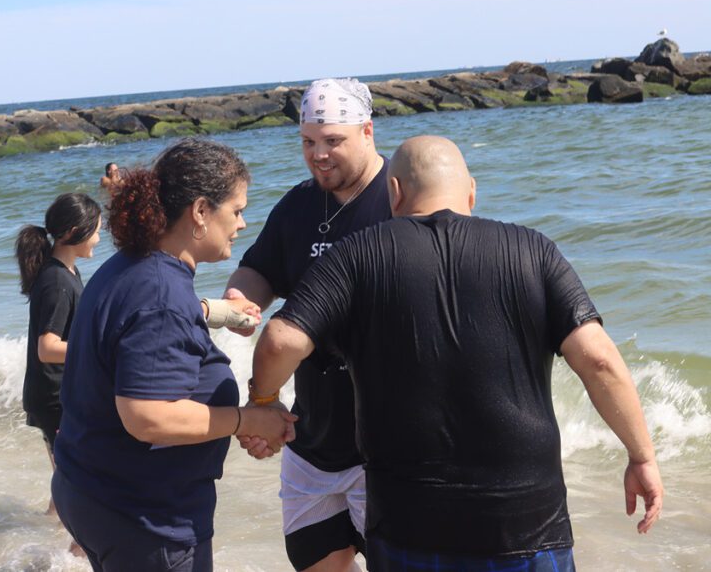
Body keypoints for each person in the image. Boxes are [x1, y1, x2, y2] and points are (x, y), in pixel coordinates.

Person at [249, 135, 664, 570]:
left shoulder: (355, 255)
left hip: (409, 528)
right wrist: (642, 457)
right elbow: (599, 360)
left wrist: (263, 403)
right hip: (528, 526)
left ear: (394, 192)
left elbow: (280, 341)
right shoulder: (533, 250)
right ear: (471, 191)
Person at [52, 138, 297, 572]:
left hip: (89, 490)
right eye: (237, 210)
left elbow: (141, 326)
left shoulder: (132, 265)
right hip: (144, 517)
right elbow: (147, 417)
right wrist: (249, 420)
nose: (242, 224)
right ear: (201, 211)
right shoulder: (161, 294)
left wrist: (216, 311)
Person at [224, 78, 389, 571]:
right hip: (312, 438)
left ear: (367, 131)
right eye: (308, 142)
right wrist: (240, 299)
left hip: (389, 446)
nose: (318, 155)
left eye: (333, 141)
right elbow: (260, 269)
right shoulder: (298, 204)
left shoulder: (398, 199)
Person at [15, 192, 102, 545]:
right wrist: (98, 351)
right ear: (73, 231)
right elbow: (47, 348)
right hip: (55, 398)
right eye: (96, 230)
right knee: (80, 482)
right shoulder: (56, 281)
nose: (99, 237)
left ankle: (50, 541)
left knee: (66, 477)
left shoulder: (67, 272)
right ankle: (77, 552)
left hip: (54, 395)